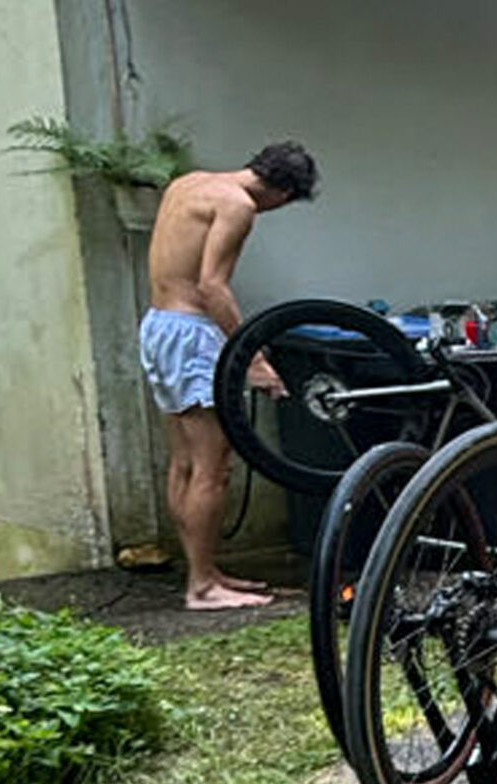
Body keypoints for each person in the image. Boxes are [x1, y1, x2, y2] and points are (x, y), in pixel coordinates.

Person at [141, 140, 318, 610]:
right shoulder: (239, 206)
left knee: (183, 461)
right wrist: (254, 359)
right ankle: (201, 587)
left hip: (158, 326)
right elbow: (212, 287)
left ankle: (204, 570)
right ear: (282, 192)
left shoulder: (188, 184)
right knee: (213, 467)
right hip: (193, 333)